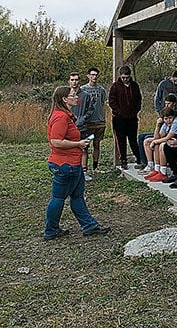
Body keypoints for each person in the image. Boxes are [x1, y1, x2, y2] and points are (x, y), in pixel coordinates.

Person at [43, 86, 110, 240]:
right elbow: (56, 141)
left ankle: (89, 226)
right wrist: (78, 144)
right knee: (58, 198)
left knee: (77, 196)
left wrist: (79, 143)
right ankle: (51, 230)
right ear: (64, 99)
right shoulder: (61, 117)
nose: (76, 98)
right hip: (64, 165)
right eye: (73, 95)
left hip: (73, 163)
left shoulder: (66, 115)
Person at [109, 66, 142, 171]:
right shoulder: (115, 86)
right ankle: (123, 160)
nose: (125, 79)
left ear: (130, 76)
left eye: (127, 77)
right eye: (123, 77)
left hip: (132, 118)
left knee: (133, 140)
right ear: (120, 76)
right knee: (121, 140)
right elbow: (112, 102)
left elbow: (138, 100)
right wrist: (119, 113)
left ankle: (139, 158)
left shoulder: (135, 86)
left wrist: (135, 111)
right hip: (119, 119)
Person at [137, 93, 177, 168]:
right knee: (141, 136)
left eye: (169, 104)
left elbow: (167, 136)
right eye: (166, 104)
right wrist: (157, 125)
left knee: (147, 139)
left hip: (169, 135)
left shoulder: (175, 115)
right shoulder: (166, 112)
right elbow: (159, 135)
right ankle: (145, 162)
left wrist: (155, 140)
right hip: (163, 132)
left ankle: (152, 164)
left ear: (174, 103)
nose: (167, 106)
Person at [80, 67, 108, 175]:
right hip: (88, 123)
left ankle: (95, 167)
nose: (94, 77)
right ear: (88, 76)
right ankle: (84, 169)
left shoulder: (101, 90)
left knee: (97, 144)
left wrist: (103, 117)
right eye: (92, 75)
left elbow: (102, 104)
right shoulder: (83, 89)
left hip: (99, 121)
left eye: (96, 75)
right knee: (85, 146)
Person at [67, 72, 95, 180]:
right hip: (69, 126)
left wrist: (84, 118)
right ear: (69, 81)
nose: (74, 82)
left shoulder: (85, 95)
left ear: (79, 81)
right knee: (70, 148)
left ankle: (84, 171)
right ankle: (70, 170)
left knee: (84, 148)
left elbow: (91, 109)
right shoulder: (66, 95)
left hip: (82, 126)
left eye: (76, 80)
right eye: (72, 80)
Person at [142, 107, 177, 182]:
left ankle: (163, 172)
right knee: (148, 141)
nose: (168, 120)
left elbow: (168, 137)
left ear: (173, 117)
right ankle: (156, 169)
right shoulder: (165, 124)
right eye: (166, 119)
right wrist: (158, 126)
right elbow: (158, 137)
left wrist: (154, 142)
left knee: (161, 144)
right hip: (170, 142)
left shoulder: (176, 122)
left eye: (170, 118)